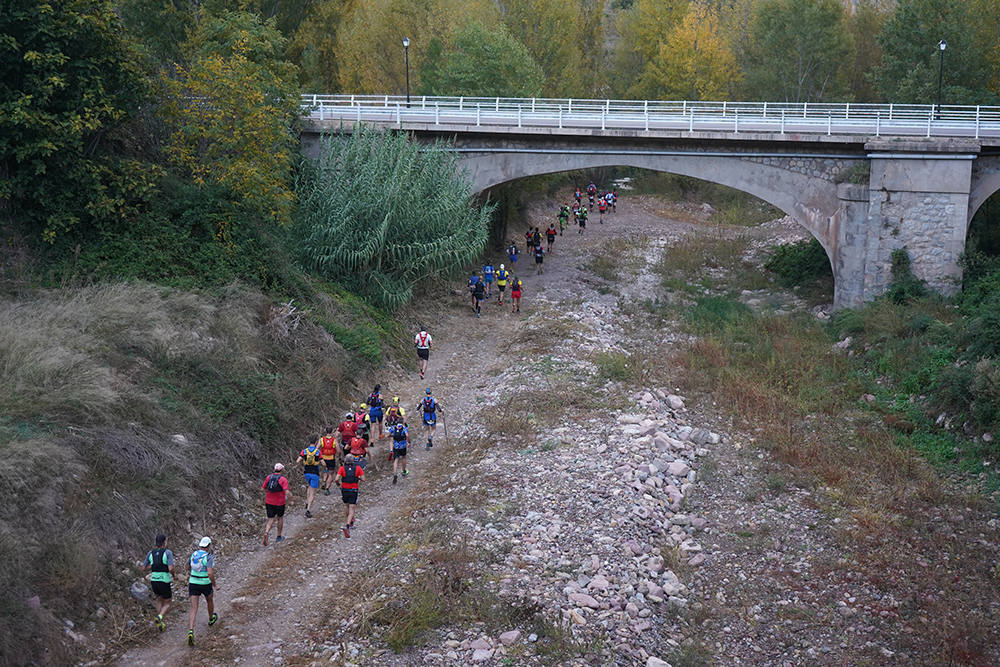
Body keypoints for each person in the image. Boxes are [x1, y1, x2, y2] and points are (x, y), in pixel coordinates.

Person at [186, 536, 218, 646]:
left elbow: (187, 566)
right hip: (205, 583)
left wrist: (189, 576)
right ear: (208, 546)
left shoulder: (193, 555)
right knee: (210, 600)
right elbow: (210, 573)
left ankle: (191, 631)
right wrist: (214, 584)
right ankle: (211, 619)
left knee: (194, 608)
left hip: (193, 583)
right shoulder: (208, 556)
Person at [142, 533, 174, 632]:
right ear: (164, 542)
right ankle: (160, 617)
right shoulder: (167, 552)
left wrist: (152, 566)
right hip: (164, 580)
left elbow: (143, 568)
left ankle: (160, 623)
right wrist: (174, 575)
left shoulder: (150, 553)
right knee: (168, 602)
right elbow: (171, 568)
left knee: (159, 600)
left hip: (154, 580)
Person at [335, 454, 364, 537]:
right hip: (353, 490)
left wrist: (338, 484)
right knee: (352, 509)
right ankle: (348, 526)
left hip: (344, 490)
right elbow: (364, 479)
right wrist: (358, 478)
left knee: (347, 506)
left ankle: (350, 522)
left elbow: (336, 478)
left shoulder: (342, 468)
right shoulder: (357, 468)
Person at [261, 463, 291, 546]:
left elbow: (262, 489)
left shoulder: (268, 477)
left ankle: (266, 532)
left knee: (270, 519)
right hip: (280, 502)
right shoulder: (283, 479)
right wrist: (290, 499)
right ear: (282, 470)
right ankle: (278, 536)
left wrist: (268, 492)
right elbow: (287, 491)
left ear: (274, 469)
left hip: (269, 501)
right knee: (280, 518)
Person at [297, 438, 322, 518]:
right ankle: (308, 509)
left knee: (309, 486)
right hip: (315, 473)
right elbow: (323, 463)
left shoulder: (304, 451)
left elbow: (298, 461)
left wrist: (300, 468)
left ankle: (307, 502)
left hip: (306, 472)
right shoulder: (317, 452)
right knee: (313, 492)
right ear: (315, 443)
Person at [389, 420, 410, 484]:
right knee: (403, 457)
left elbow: (389, 435)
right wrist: (408, 442)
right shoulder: (404, 428)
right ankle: (404, 471)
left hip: (395, 446)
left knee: (396, 459)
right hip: (403, 446)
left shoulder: (393, 428)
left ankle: (395, 473)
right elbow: (407, 435)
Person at [320, 426, 338, 494]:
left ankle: (324, 481)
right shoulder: (334, 440)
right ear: (332, 431)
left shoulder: (321, 439)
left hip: (323, 458)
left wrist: (319, 456)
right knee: (331, 473)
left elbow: (317, 448)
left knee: (325, 470)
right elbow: (338, 450)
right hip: (331, 458)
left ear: (326, 431)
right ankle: (327, 489)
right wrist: (339, 455)